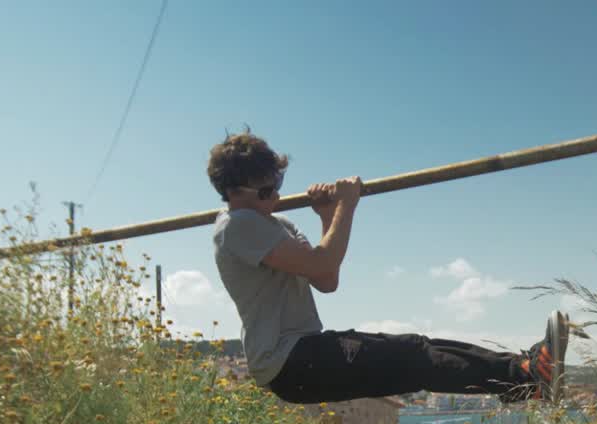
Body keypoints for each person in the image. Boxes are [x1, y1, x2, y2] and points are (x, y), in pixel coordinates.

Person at [206, 130, 568, 406]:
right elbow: (325, 260)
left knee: (417, 351)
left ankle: (524, 374)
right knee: (414, 356)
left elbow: (326, 278)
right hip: (288, 362)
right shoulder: (237, 225)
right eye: (268, 189)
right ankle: (525, 377)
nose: (278, 195)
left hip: (304, 354)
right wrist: (347, 206)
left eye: (277, 185)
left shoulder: (277, 225)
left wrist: (328, 215)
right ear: (235, 191)